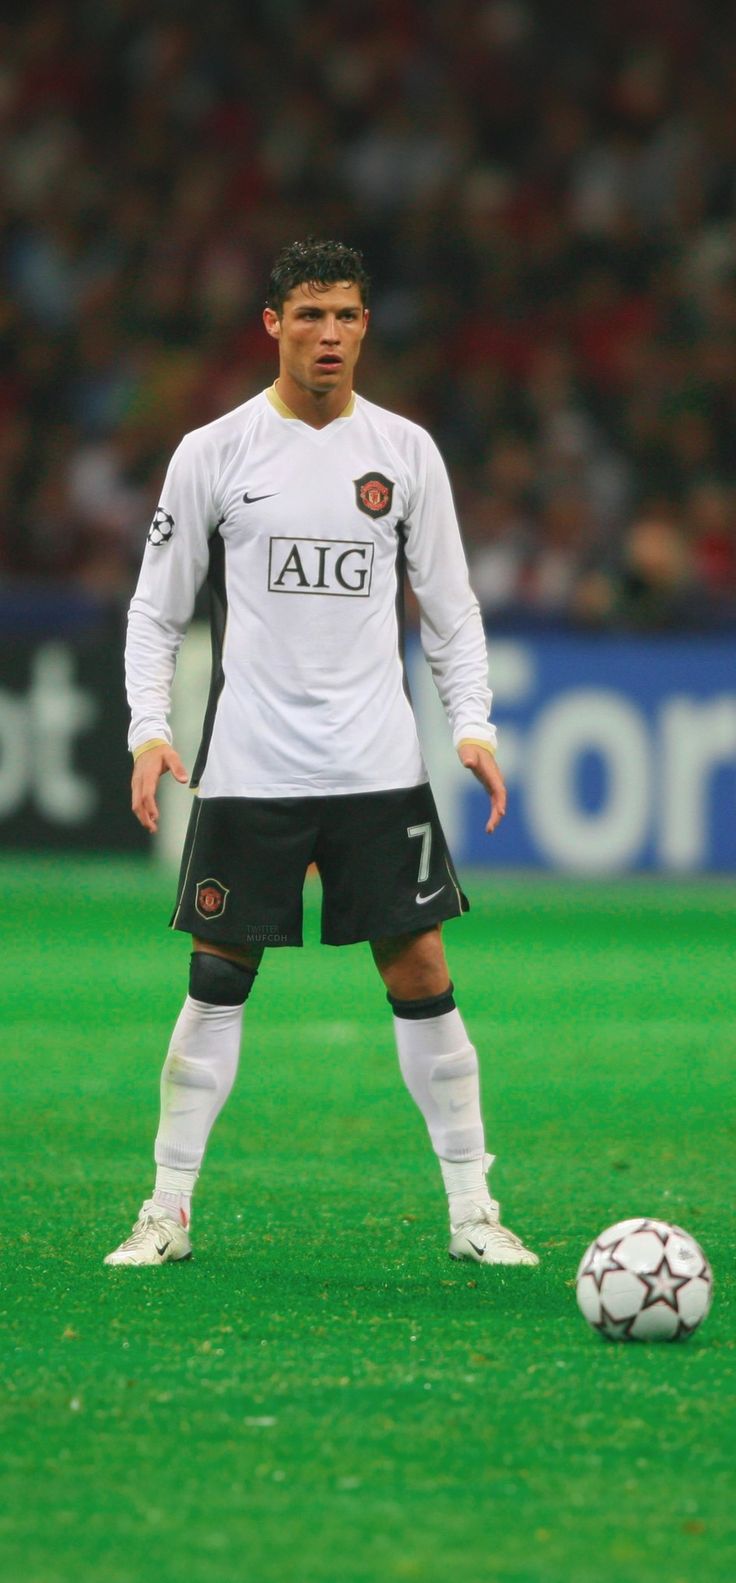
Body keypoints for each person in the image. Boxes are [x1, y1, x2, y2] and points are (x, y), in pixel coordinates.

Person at [105, 238, 537, 1270]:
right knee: (216, 976)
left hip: (376, 764)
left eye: (345, 315)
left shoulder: (406, 451)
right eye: (309, 315)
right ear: (272, 324)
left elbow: (451, 609)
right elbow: (155, 611)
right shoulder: (215, 450)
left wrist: (470, 723)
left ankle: (474, 1207)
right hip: (252, 761)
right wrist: (148, 728)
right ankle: (166, 1208)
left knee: (423, 965)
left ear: (365, 326)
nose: (329, 334)